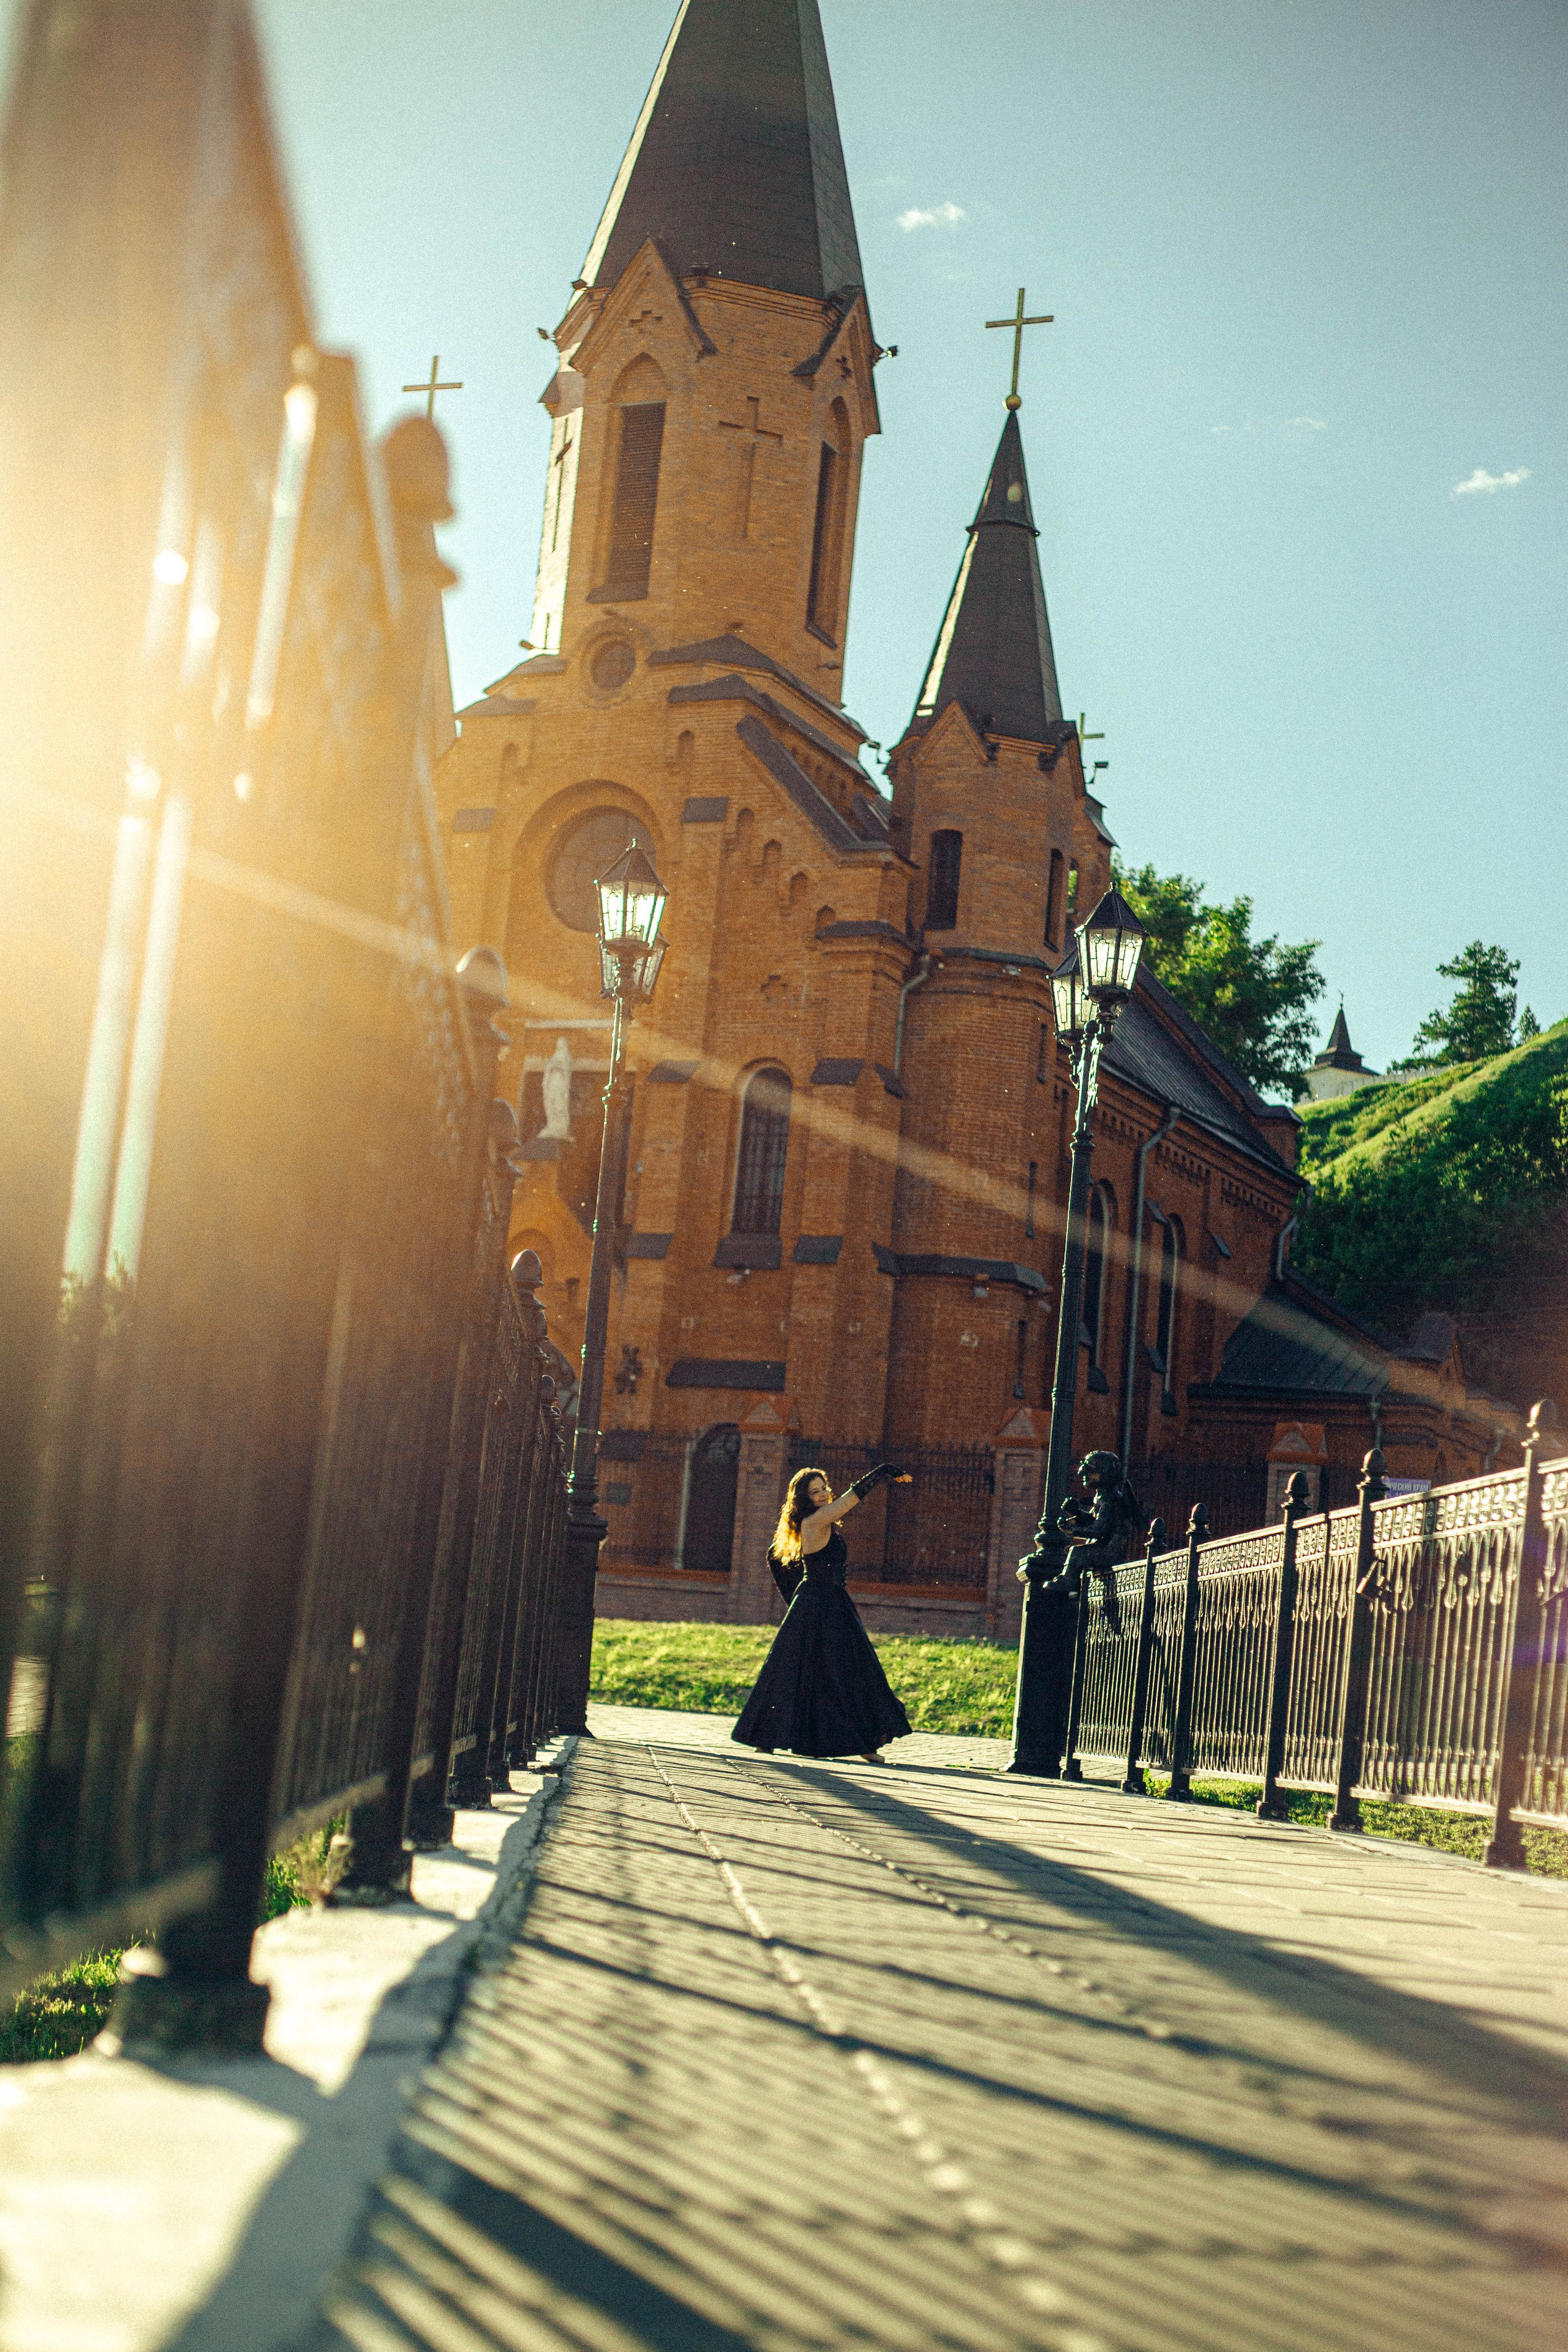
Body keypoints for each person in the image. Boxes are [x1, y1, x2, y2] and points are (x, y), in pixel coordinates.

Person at [732, 1463, 914, 1761]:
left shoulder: (817, 1522)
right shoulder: (815, 1521)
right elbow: (852, 1498)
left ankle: (770, 1740)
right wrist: (883, 1471)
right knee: (843, 1670)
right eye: (814, 1491)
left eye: (824, 1488)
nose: (823, 1494)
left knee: (812, 1671)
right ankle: (862, 1746)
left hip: (824, 1603)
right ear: (804, 1498)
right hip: (822, 1604)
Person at [1045, 1450, 1143, 1634]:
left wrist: (1072, 1531)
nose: (1082, 1472)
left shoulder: (1111, 1499)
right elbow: (1092, 1521)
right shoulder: (1103, 1496)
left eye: (1089, 1468)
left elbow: (1099, 1530)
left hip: (1111, 1551)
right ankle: (1074, 1589)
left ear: (1105, 1473)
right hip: (1104, 1548)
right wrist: (1075, 1514)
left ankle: (1069, 1582)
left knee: (1077, 1553)